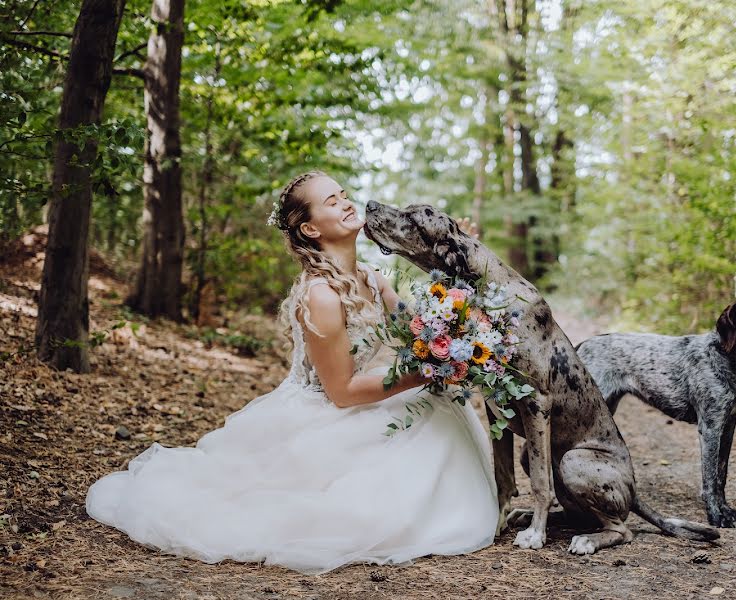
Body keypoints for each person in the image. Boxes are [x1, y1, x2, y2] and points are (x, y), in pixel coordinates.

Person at [86, 171, 499, 574]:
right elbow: (342, 392)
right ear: (309, 230)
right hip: (329, 412)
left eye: (343, 193)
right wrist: (426, 373)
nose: (346, 202)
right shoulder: (320, 295)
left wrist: (453, 279)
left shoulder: (372, 280)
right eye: (331, 201)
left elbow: (421, 333)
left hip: (372, 393)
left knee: (439, 416)